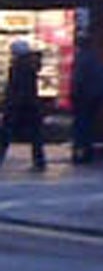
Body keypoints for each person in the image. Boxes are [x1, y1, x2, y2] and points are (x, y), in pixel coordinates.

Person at [1, 39, 49, 172]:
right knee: (35, 135)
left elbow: (17, 88)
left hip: (17, 107)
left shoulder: (19, 66)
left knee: (5, 134)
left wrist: (9, 104)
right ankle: (39, 161)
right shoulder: (30, 65)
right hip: (31, 106)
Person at [69, 46, 103, 163]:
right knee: (87, 126)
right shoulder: (93, 59)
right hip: (94, 98)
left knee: (80, 127)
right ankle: (86, 152)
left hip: (83, 99)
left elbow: (78, 79)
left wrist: (73, 95)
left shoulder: (81, 60)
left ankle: (80, 154)